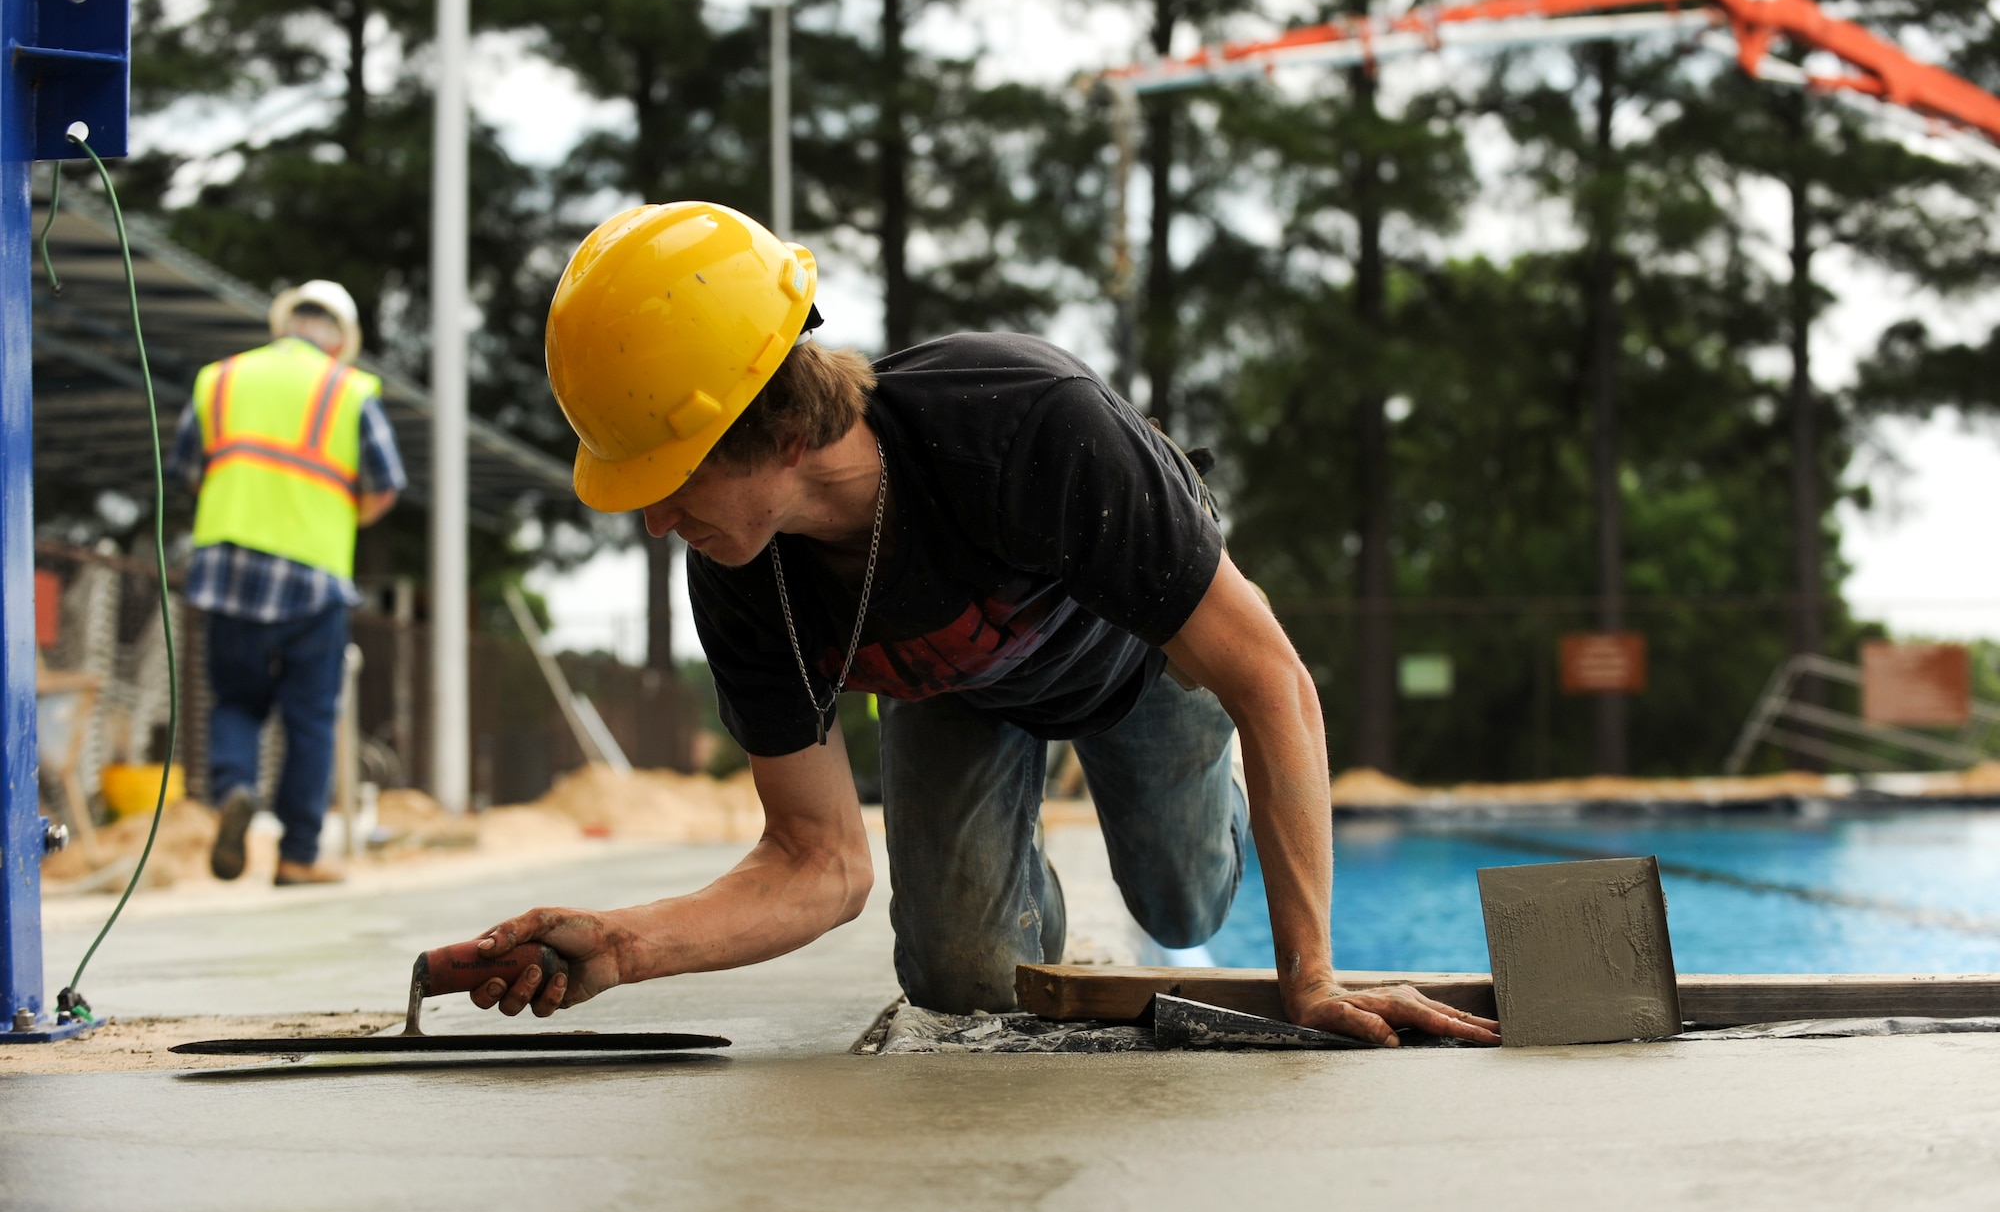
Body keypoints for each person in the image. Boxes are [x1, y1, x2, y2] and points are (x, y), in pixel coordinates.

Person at [462, 202, 1497, 1047]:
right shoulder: (740, 569)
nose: (651, 518)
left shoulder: (1025, 424)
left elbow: (1269, 676)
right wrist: (622, 943)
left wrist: (1309, 979)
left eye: (671, 476)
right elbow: (815, 860)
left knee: (1181, 908)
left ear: (779, 432)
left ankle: (1196, 795)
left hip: (1139, 663)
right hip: (962, 691)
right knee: (964, 980)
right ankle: (1016, 893)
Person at [170, 280, 407, 886]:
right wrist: (332, 512)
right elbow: (384, 485)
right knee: (309, 719)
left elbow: (187, 469)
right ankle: (299, 854)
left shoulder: (221, 378)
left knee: (236, 701)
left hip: (227, 567)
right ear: (340, 340)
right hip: (312, 573)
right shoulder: (348, 389)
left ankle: (233, 792)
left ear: (284, 323)